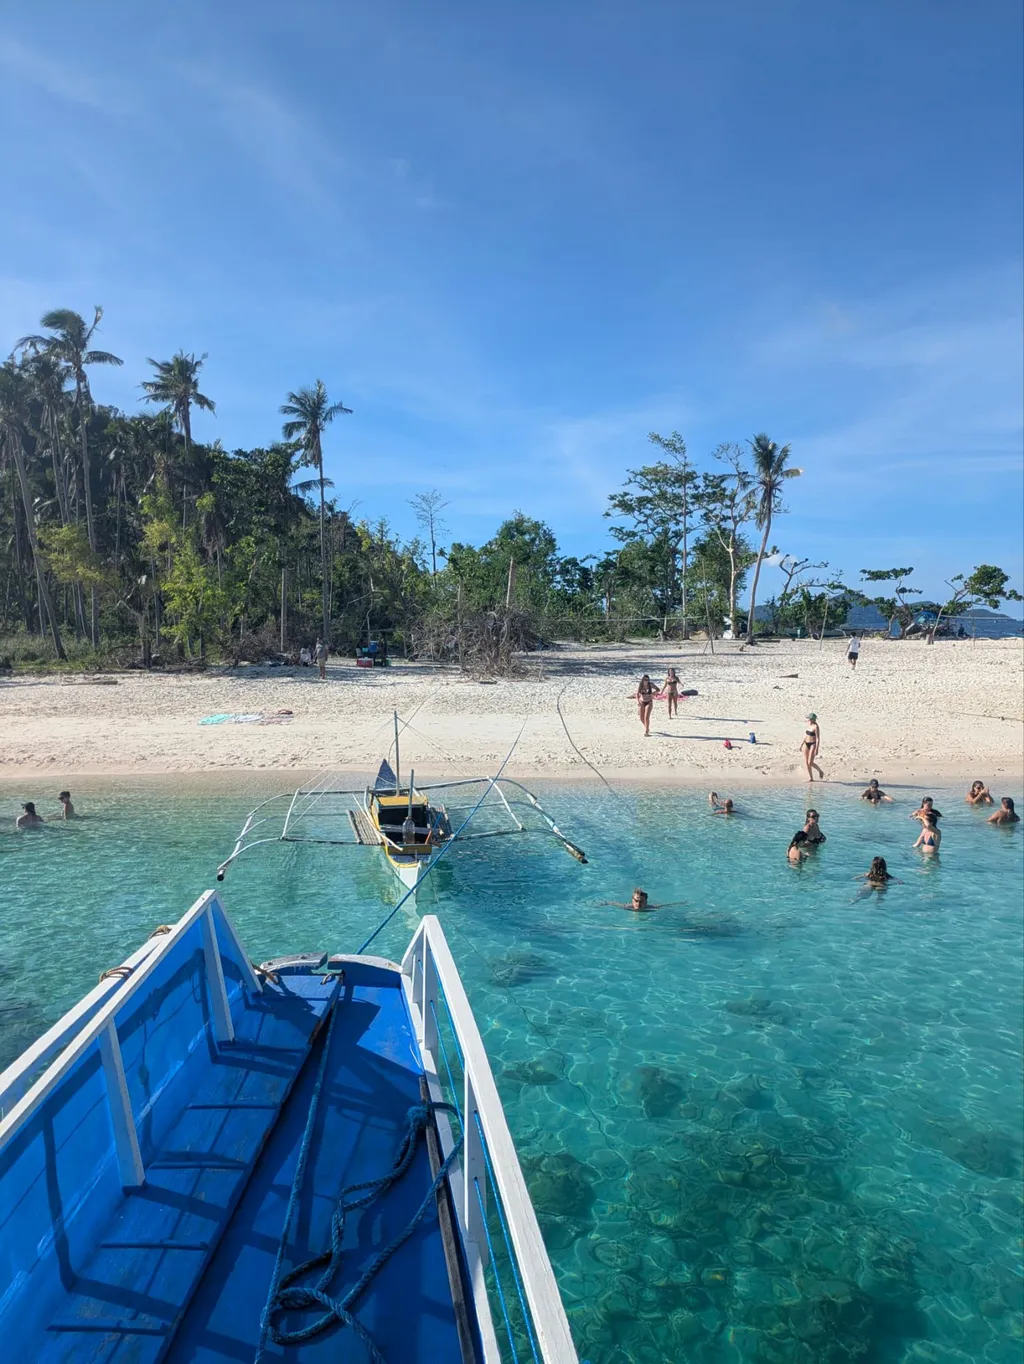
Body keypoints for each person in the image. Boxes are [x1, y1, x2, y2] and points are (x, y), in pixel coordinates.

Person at [800, 714, 824, 782]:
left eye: (809, 719)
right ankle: (811, 778)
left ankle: (820, 771)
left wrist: (817, 748)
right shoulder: (809, 726)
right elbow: (806, 735)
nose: (808, 720)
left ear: (812, 719)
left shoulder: (816, 727)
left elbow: (818, 739)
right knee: (806, 762)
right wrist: (802, 744)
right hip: (806, 743)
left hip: (812, 744)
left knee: (810, 762)